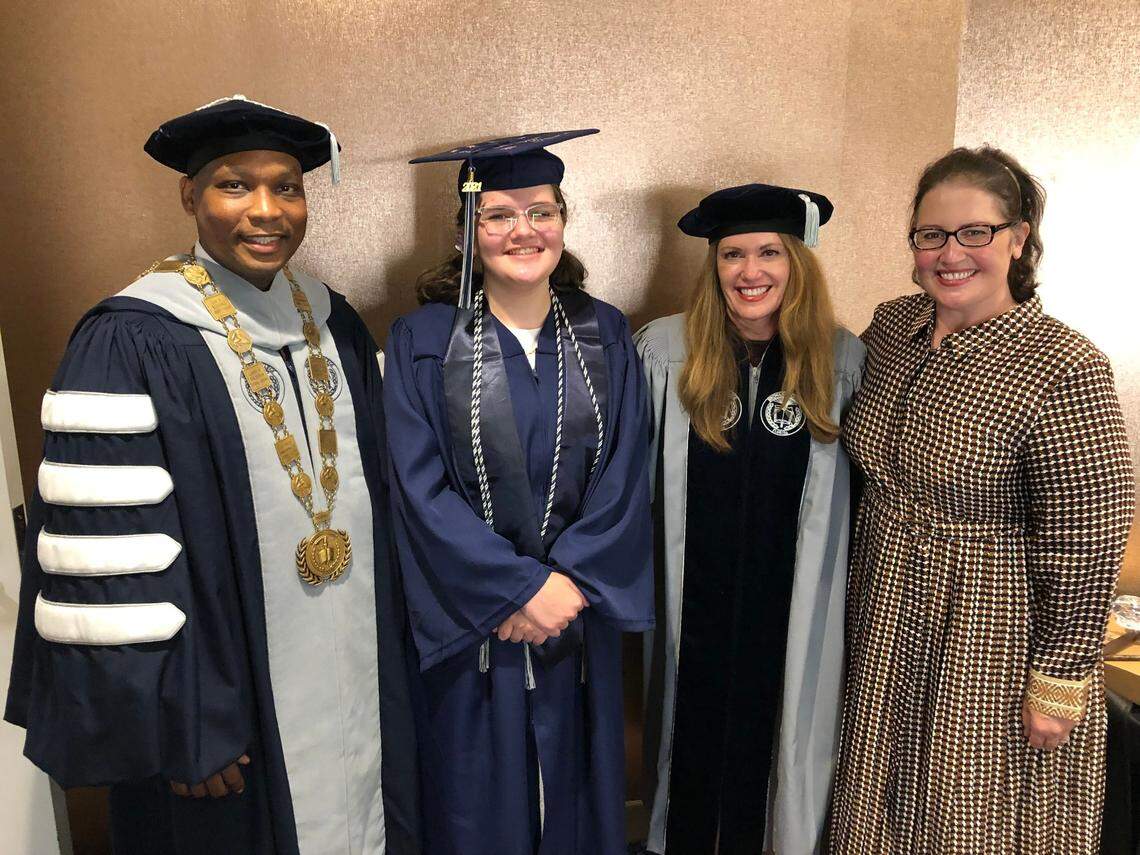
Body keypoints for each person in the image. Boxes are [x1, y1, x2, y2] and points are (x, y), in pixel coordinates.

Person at [3, 95, 420, 854]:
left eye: (286, 186)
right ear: (190, 196)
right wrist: (180, 717)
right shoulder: (130, 339)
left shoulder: (337, 326)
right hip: (221, 711)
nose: (266, 210)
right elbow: (109, 557)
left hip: (354, 676)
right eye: (235, 184)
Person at [830, 146, 1135, 854]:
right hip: (881, 607)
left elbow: (1088, 537)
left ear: (1018, 238)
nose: (950, 253)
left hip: (987, 628)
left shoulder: (1062, 364)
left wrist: (1060, 676)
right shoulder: (894, 329)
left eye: (976, 232)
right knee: (873, 797)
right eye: (931, 234)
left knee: (964, 814)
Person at [384, 131, 654, 855]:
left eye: (541, 211)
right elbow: (416, 488)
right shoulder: (422, 339)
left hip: (573, 619)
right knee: (477, 807)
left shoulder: (606, 331)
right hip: (478, 628)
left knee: (577, 796)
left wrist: (567, 585)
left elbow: (628, 473)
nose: (523, 231)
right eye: (498, 215)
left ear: (564, 223)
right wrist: (511, 591)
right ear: (468, 231)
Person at [635, 183, 864, 854]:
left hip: (789, 614)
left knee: (779, 745)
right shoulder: (664, 350)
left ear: (798, 260)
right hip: (692, 610)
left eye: (769, 251)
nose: (750, 271)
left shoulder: (841, 358)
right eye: (733, 254)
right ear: (714, 265)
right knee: (689, 747)